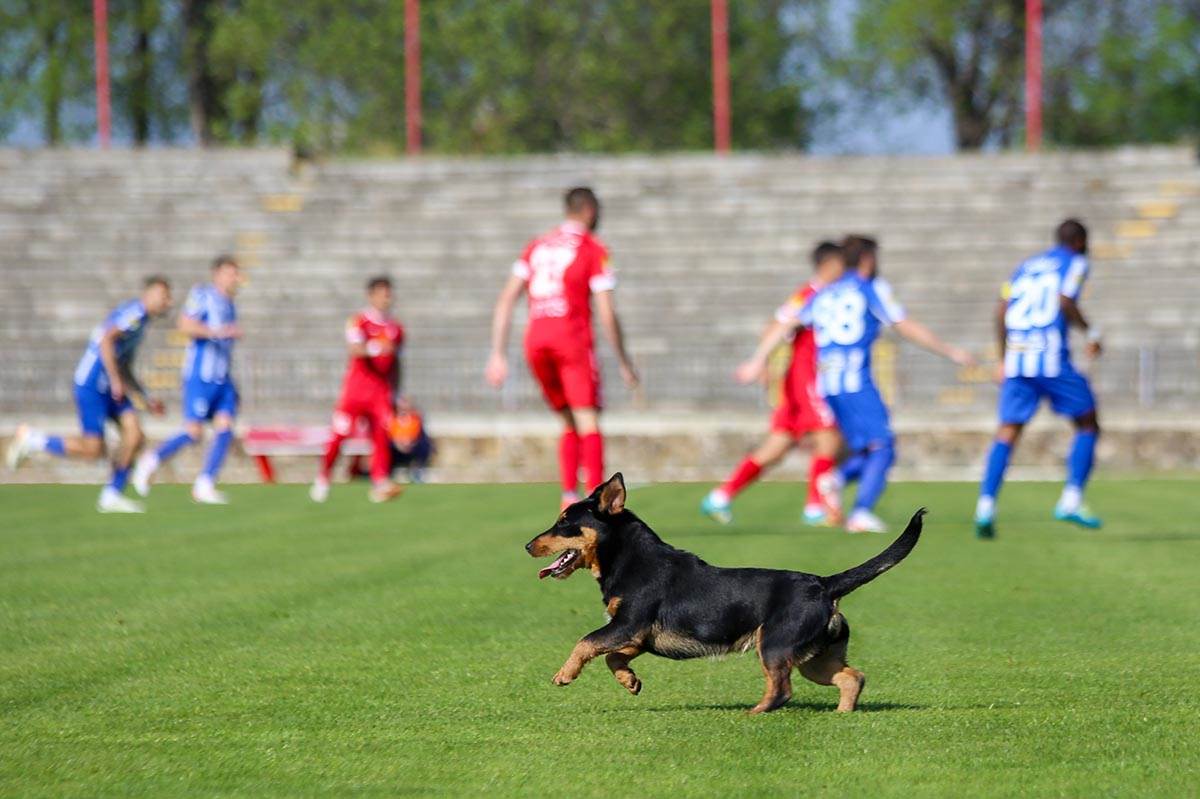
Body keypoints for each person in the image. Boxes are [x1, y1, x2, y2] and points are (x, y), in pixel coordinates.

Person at [737, 235, 974, 533]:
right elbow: (903, 324)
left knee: (864, 448)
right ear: (867, 259)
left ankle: (833, 480)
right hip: (856, 382)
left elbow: (785, 323)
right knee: (883, 446)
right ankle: (860, 511)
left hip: (829, 385)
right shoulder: (869, 287)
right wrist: (949, 351)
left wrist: (757, 360)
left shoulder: (824, 292)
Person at [486, 187, 638, 508]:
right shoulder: (593, 249)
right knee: (588, 421)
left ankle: (569, 494)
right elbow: (607, 313)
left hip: (536, 339)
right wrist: (624, 361)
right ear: (590, 210)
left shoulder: (536, 246)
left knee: (568, 420)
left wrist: (497, 354)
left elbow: (505, 300)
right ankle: (598, 505)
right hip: (571, 338)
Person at [974, 219, 1103, 539]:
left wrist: (1004, 358)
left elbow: (1001, 310)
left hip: (1018, 358)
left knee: (1007, 431)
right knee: (1088, 423)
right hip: (1050, 358)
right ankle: (1071, 499)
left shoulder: (1026, 266)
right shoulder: (1075, 262)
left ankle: (985, 506)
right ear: (1078, 241)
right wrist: (1091, 332)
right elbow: (1064, 300)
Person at [701, 242, 845, 526]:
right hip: (806, 380)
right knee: (828, 437)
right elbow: (778, 325)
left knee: (778, 445)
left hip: (803, 380)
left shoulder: (826, 294)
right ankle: (814, 507)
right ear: (829, 265)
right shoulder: (811, 294)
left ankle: (720, 496)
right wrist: (759, 362)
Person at [6, 276, 173, 513]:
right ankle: (33, 440)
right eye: (164, 295)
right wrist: (115, 381)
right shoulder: (135, 312)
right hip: (92, 384)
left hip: (109, 385)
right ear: (149, 294)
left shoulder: (141, 321)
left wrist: (145, 397)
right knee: (93, 450)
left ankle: (111, 495)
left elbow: (123, 364)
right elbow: (106, 340)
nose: (168, 301)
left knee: (135, 435)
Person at [132, 256, 242, 504]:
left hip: (222, 378)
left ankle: (205, 483)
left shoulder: (230, 303)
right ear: (217, 274)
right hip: (199, 377)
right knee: (194, 432)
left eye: (235, 274)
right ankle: (151, 459)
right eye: (229, 273)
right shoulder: (202, 295)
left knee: (225, 428)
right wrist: (217, 332)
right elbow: (185, 324)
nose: (234, 278)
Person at [310, 276, 406, 503]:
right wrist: (376, 347)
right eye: (382, 293)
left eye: (389, 294)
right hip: (355, 391)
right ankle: (324, 476)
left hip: (380, 392)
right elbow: (355, 349)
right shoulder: (358, 322)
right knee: (340, 434)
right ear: (371, 295)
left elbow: (397, 362)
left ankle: (380, 481)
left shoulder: (396, 328)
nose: (386, 298)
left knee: (381, 434)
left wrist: (396, 391)